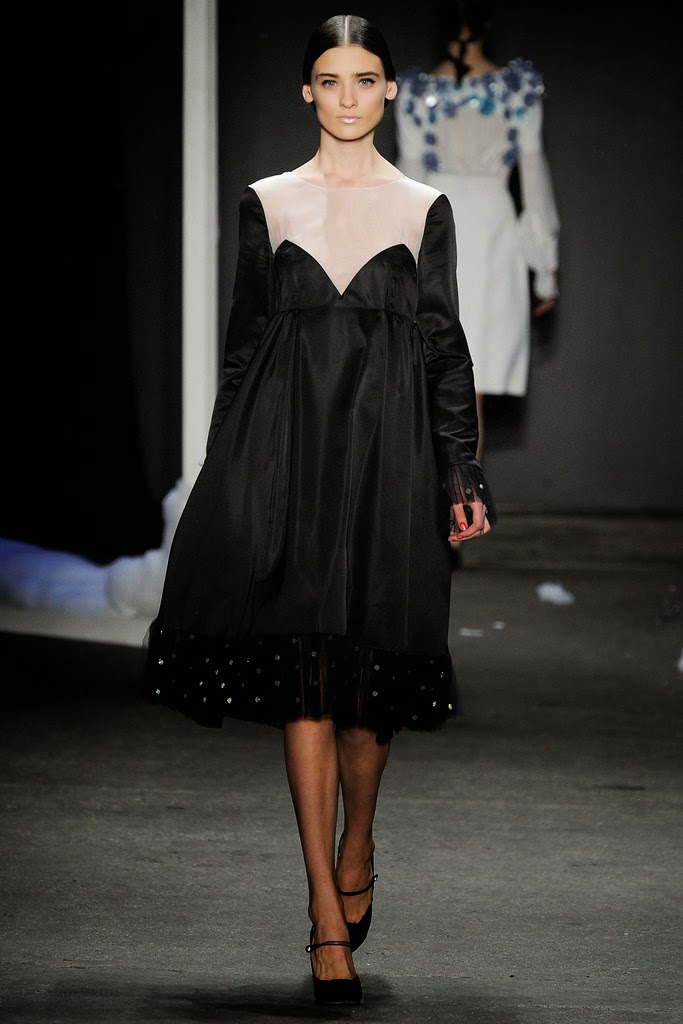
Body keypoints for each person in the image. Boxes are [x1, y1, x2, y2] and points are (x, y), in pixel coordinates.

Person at [144, 12, 495, 1006]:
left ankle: (358, 839)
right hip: (283, 454)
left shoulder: (422, 206)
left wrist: (462, 473)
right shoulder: (268, 200)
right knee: (303, 677)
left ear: (390, 91)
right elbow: (243, 344)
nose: (348, 97)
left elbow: (442, 345)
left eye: (365, 79)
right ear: (307, 90)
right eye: (330, 80)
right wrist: (221, 472)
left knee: (368, 691)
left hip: (389, 463)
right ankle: (321, 912)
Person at [394, 0, 560, 462]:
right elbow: (533, 177)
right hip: (490, 231)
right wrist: (545, 270)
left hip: (440, 228)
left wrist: (396, 261)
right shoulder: (518, 89)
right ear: (486, 22)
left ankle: (442, 501)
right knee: (471, 384)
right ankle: (461, 502)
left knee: (437, 378)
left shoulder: (415, 92)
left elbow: (407, 182)